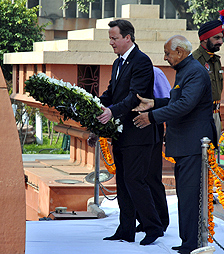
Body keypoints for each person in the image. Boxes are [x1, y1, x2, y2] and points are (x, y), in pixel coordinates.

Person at [133, 35, 216, 254]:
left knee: (189, 197)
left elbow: (185, 105)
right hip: (184, 145)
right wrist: (154, 103)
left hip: (192, 144)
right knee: (185, 196)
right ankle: (188, 240)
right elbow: (177, 100)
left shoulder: (195, 72)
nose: (165, 57)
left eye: (168, 53)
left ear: (179, 52)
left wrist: (152, 117)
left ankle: (191, 244)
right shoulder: (186, 70)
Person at [95, 19, 164, 246]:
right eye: (110, 39)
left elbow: (135, 97)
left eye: (114, 38)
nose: (111, 43)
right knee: (123, 183)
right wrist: (93, 104)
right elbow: (111, 93)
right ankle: (126, 229)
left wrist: (111, 112)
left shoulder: (142, 61)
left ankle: (153, 227)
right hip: (122, 134)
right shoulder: (118, 63)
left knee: (135, 180)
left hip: (139, 132)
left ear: (128, 37)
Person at [136, 66, 170, 233]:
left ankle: (161, 220)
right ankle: (144, 219)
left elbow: (168, 100)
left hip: (151, 127)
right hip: (132, 133)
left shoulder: (155, 72)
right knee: (136, 178)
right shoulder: (122, 70)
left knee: (151, 176)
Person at [192, 9, 224, 145]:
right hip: (200, 116)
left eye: (221, 38)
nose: (221, 42)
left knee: (214, 156)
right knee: (202, 156)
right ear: (205, 38)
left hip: (216, 114)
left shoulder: (216, 60)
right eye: (217, 38)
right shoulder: (195, 60)